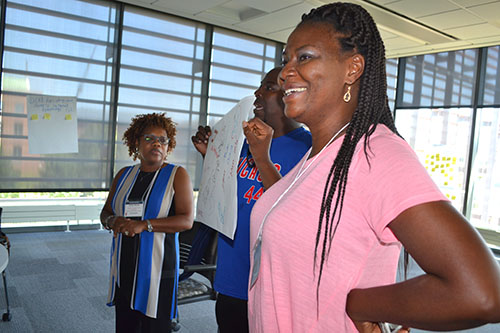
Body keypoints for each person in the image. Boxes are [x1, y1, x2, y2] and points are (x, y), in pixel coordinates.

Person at [246, 3, 500, 332]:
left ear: (352, 69)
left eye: (304, 57)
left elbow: (482, 292)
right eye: (286, 60)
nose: (284, 73)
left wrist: (361, 305)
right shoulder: (317, 155)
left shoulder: (376, 154)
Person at [191, 67, 312, 333]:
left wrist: (261, 157)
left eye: (268, 87)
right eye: (260, 86)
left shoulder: (309, 147)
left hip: (271, 281)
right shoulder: (243, 143)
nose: (257, 93)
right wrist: (210, 157)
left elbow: (292, 212)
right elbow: (224, 198)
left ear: (290, 94)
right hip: (232, 272)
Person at [101, 113, 194, 333]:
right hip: (124, 263)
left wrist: (144, 225)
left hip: (158, 268)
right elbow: (105, 213)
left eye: (163, 140)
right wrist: (112, 220)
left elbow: (186, 220)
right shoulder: (124, 175)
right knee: (126, 325)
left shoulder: (177, 175)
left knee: (154, 326)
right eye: (150, 138)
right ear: (136, 142)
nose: (157, 144)